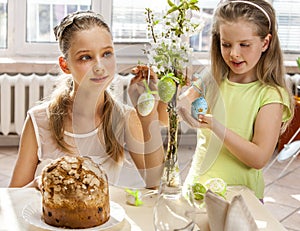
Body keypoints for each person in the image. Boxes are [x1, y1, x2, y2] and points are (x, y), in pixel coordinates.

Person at [9, 11, 164, 189]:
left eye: (107, 54)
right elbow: (13, 197)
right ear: (65, 65)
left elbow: (157, 185)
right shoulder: (38, 120)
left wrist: (148, 115)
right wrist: (39, 183)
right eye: (85, 57)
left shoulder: (124, 118)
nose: (99, 67)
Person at [177, 0, 294, 200]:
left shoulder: (271, 95)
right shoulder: (212, 76)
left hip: (240, 200)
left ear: (265, 43)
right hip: (196, 190)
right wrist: (183, 103)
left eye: (244, 45)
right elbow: (183, 103)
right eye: (226, 44)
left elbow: (258, 158)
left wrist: (215, 126)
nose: (234, 53)